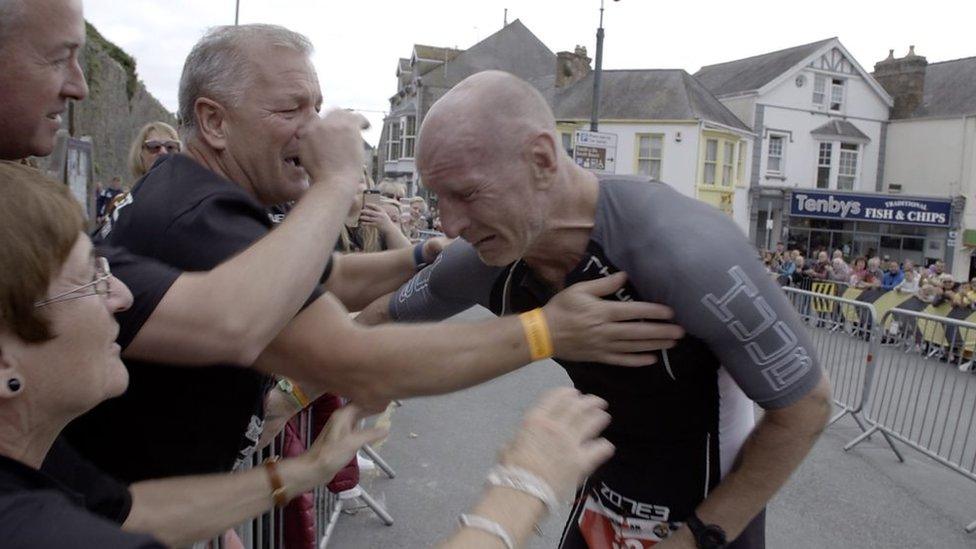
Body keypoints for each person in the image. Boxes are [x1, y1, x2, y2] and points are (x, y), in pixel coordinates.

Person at [67, 24, 681, 486]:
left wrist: (424, 254)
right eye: (290, 110)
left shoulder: (197, 194)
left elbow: (322, 275)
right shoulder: (198, 215)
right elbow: (358, 362)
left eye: (317, 106)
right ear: (214, 121)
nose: (314, 130)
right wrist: (548, 331)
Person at [358, 71, 831, 549]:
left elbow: (806, 408)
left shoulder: (683, 250)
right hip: (603, 501)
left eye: (467, 193)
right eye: (438, 198)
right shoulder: (484, 255)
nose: (451, 224)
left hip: (707, 513)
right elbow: (377, 324)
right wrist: (296, 391)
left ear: (541, 159)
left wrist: (696, 538)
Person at [0, 161, 388, 548]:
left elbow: (133, 513)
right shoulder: (44, 533)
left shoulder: (46, 464)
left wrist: (309, 468)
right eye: (90, 278)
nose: (123, 295)